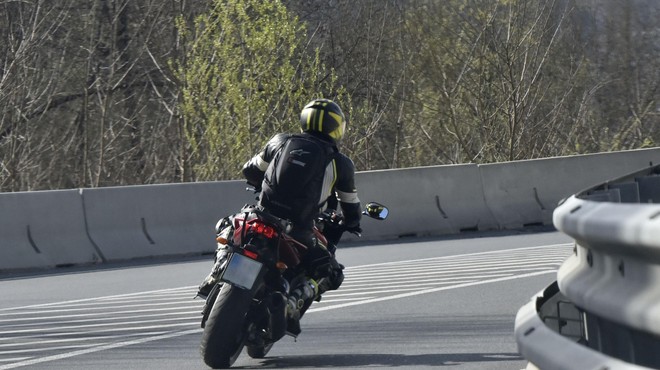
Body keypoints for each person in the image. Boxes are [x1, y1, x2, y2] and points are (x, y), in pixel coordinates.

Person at [197, 99, 361, 316]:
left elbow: (250, 170)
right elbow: (350, 204)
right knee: (331, 271)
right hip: (301, 229)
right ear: (336, 128)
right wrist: (351, 222)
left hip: (263, 214)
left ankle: (217, 270)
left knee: (228, 225)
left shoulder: (281, 141)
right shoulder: (341, 163)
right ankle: (293, 301)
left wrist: (261, 182)